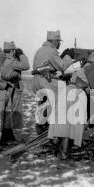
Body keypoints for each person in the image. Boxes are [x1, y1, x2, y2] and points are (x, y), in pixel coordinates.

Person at [32, 30, 79, 159]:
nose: (59, 44)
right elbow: (62, 66)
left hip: (37, 82)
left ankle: (47, 134)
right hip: (46, 82)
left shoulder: (41, 50)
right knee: (60, 108)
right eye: (58, 42)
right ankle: (56, 138)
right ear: (55, 41)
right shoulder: (51, 51)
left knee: (45, 110)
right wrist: (69, 56)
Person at [0, 41, 30, 146]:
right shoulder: (11, 62)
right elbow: (26, 65)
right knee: (9, 112)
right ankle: (4, 138)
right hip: (10, 88)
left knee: (7, 111)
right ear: (12, 51)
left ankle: (8, 135)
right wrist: (21, 54)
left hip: (7, 88)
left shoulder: (4, 61)